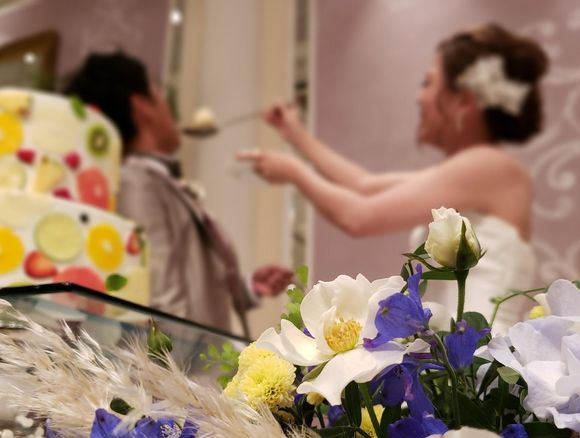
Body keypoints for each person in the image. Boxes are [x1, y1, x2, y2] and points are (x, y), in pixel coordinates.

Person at [238, 23, 549, 331]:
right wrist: (296, 136)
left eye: (428, 83)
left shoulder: (486, 165)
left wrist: (294, 171)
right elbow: (364, 186)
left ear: (463, 101)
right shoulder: (481, 168)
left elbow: (358, 216)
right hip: (458, 344)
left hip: (479, 349)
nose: (419, 98)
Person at [65, 51, 293, 336]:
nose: (166, 103)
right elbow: (161, 306)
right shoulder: (135, 183)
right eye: (158, 92)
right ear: (142, 105)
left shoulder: (151, 180)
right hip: (188, 362)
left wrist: (246, 288)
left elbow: (184, 285)